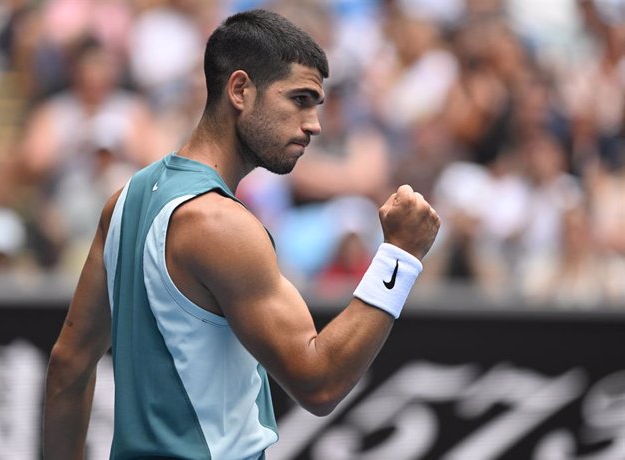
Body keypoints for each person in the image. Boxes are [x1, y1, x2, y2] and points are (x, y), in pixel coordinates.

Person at [43, 9, 440, 460]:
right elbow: (320, 382)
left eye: (317, 104)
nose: (314, 124)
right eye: (300, 99)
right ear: (239, 90)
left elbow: (68, 366)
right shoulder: (220, 224)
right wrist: (399, 256)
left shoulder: (124, 201)